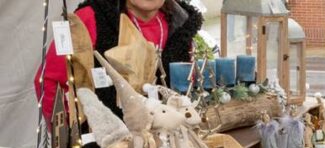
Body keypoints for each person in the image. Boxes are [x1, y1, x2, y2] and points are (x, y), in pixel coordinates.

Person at [35, 0, 202, 121]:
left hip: (170, 144)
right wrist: (77, 137)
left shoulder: (182, 24)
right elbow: (48, 82)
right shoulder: (89, 17)